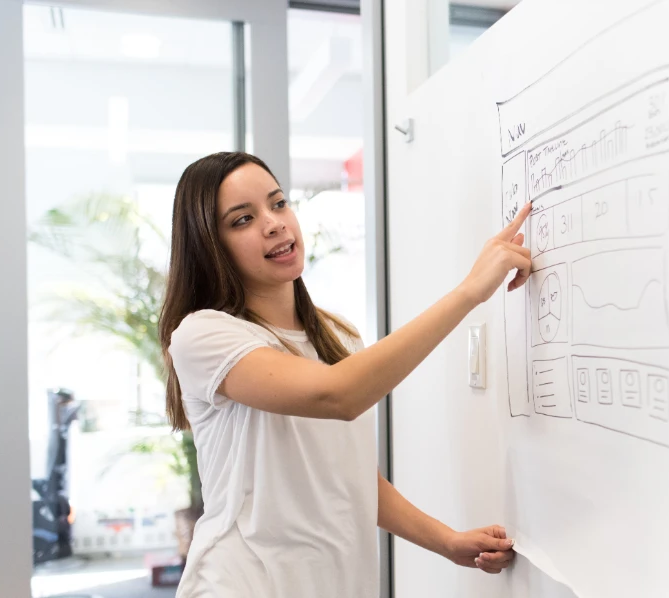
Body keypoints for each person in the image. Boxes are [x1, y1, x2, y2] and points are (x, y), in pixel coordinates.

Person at [159, 151, 532, 596]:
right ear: (209, 245)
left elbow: (352, 478)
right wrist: (470, 292)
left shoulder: (337, 337)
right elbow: (338, 396)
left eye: (278, 203)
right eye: (242, 219)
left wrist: (447, 541)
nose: (274, 223)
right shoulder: (203, 335)